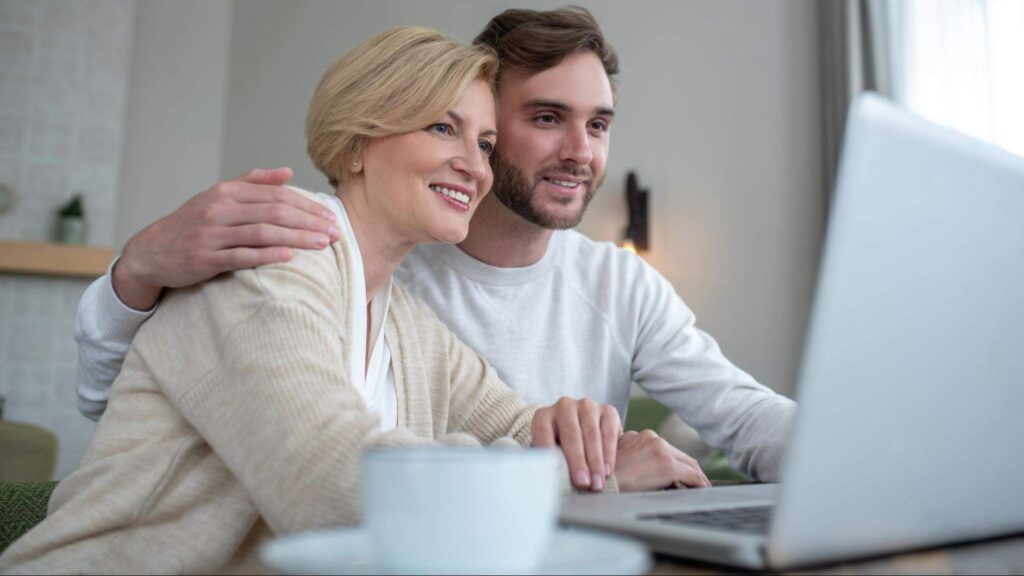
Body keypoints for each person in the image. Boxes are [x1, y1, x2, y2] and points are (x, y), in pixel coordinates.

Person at [0, 27, 633, 575]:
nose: (476, 167)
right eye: (444, 127)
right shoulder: (272, 261)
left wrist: (589, 442)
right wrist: (573, 478)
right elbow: (327, 480)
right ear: (358, 142)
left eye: (487, 144)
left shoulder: (405, 319)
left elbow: (516, 423)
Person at [76, 7, 795, 487]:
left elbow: (738, 413)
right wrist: (134, 273)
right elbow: (133, 398)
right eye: (547, 118)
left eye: (600, 125)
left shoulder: (404, 310)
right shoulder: (312, 252)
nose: (581, 151)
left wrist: (868, 460)